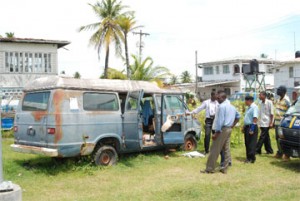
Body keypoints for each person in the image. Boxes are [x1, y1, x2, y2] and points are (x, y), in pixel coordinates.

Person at [200, 91, 240, 174]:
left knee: (214, 149)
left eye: (218, 98)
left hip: (222, 129)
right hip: (228, 129)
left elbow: (220, 121)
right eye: (217, 98)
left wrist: (216, 133)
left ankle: (209, 169)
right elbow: (238, 116)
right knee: (226, 149)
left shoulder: (221, 107)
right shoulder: (232, 107)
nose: (217, 99)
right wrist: (232, 125)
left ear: (223, 98)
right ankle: (225, 168)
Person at [274, 85, 291, 161]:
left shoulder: (286, 100)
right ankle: (280, 152)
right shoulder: (278, 100)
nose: (278, 91)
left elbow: (289, 111)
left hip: (283, 123)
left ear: (283, 92)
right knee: (277, 138)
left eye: (279, 90)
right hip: (277, 122)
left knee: (283, 138)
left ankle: (286, 154)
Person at [243, 96, 259, 163]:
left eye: (245, 100)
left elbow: (255, 118)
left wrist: (252, 128)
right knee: (247, 142)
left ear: (249, 100)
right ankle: (248, 157)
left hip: (252, 126)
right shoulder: (248, 108)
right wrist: (244, 126)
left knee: (251, 143)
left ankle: (251, 158)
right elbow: (247, 118)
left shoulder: (254, 107)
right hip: (247, 126)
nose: (245, 102)